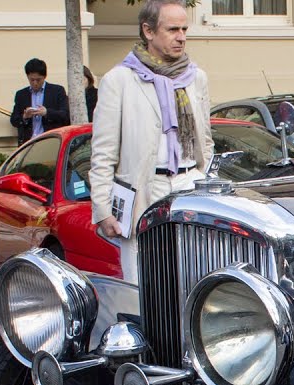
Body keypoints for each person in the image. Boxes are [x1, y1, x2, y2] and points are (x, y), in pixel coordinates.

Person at [90, 0, 212, 282]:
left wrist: (201, 175)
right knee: (143, 285)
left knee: (195, 282)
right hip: (143, 192)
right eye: (172, 29)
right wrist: (102, 209)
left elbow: (205, 136)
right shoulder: (119, 80)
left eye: (184, 29)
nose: (181, 37)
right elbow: (103, 153)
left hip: (189, 184)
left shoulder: (196, 77)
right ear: (148, 31)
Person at [10, 58, 70, 145]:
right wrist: (25, 116)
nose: (35, 83)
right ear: (27, 77)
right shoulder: (21, 94)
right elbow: (14, 120)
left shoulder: (57, 91)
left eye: (38, 80)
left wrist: (47, 112)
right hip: (28, 143)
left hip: (51, 141)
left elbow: (65, 115)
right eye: (31, 80)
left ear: (45, 76)